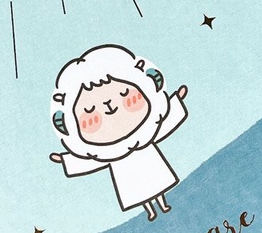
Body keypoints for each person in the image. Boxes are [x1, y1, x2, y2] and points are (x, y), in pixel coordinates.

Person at [49, 44, 188, 221]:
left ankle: (162, 203)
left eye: (126, 95)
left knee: (157, 181)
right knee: (140, 191)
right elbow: (91, 160)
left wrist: (176, 101)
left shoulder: (146, 133)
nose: (110, 108)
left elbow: (163, 124)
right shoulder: (106, 153)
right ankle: (150, 211)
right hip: (125, 172)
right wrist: (65, 159)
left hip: (148, 159)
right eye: (91, 113)